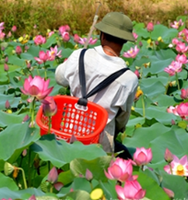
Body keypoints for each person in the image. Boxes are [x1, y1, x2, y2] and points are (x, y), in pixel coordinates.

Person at [55, 12, 139, 158]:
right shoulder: (128, 78)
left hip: (68, 137)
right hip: (100, 145)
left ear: (102, 35)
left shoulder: (78, 56)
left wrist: (72, 63)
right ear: (124, 42)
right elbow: (121, 121)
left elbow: (59, 78)